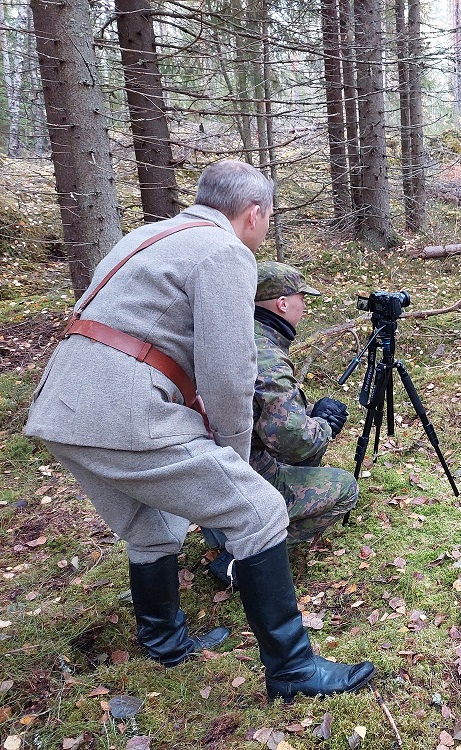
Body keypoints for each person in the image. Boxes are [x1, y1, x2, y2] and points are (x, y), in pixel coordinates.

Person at [24, 160, 374, 702]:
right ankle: (293, 671)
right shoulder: (226, 252)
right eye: (268, 215)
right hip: (127, 411)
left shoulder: (146, 236)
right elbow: (229, 373)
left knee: (150, 527)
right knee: (258, 511)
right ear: (253, 212)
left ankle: (164, 643)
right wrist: (235, 465)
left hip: (62, 409)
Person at [202, 261, 358, 585]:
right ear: (282, 303)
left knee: (308, 452)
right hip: (244, 473)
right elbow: (289, 437)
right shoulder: (267, 355)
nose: (305, 306)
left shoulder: (234, 333)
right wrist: (323, 426)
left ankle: (225, 528)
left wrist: (310, 413)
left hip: (212, 463)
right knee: (345, 489)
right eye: (302, 297)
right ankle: (249, 553)